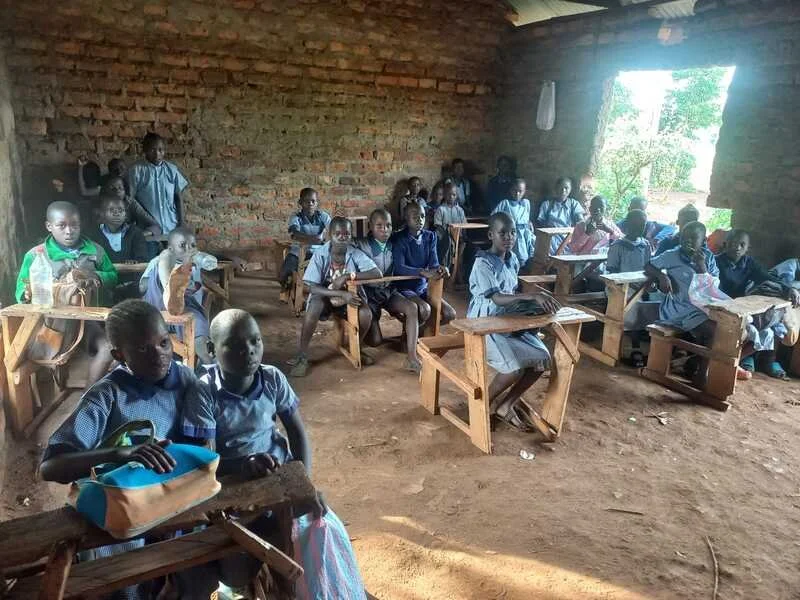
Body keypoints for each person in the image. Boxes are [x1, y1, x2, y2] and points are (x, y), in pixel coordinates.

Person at [181, 309, 367, 599]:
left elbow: (297, 432)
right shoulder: (204, 393)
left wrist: (302, 485)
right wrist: (242, 467)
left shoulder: (271, 379)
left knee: (319, 524)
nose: (250, 351)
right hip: (231, 486)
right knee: (237, 571)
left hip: (276, 478)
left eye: (255, 341)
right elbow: (205, 463)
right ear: (210, 349)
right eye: (235, 345)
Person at [39, 300, 199, 600]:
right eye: (142, 349)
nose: (159, 356)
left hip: (166, 510)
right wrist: (118, 455)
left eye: (164, 343)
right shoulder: (108, 396)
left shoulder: (183, 381)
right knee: (122, 588)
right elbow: (50, 467)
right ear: (119, 355)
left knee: (175, 578)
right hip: (114, 519)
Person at [469, 212, 560, 431]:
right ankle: (480, 407)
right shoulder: (482, 263)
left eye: (513, 232)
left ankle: (506, 405)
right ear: (491, 235)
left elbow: (511, 295)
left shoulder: (512, 260)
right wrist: (530, 296)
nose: (509, 237)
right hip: (484, 325)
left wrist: (536, 300)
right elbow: (498, 297)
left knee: (542, 360)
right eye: (503, 233)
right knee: (513, 369)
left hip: (508, 322)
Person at [16, 201, 117, 384]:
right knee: (34, 357)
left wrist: (95, 275)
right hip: (52, 324)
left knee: (109, 347)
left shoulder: (95, 251)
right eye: (61, 226)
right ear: (49, 226)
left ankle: (89, 395)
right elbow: (21, 290)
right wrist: (26, 294)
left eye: (74, 225)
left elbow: (113, 276)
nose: (69, 231)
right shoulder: (36, 255)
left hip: (87, 322)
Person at [289, 217, 381, 377]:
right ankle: (302, 356)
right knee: (314, 306)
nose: (342, 237)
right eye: (337, 233)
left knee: (366, 313)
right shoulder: (321, 254)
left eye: (346, 233)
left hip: (348, 296)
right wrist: (340, 293)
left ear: (350, 236)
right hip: (326, 296)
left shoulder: (354, 252)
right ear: (329, 235)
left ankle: (356, 349)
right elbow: (310, 287)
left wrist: (347, 276)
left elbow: (376, 273)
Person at [644, 221, 725, 383]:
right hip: (678, 307)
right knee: (716, 331)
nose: (687, 241)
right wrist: (662, 276)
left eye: (693, 238)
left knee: (728, 329)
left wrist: (701, 267)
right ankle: (701, 373)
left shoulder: (707, 258)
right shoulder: (672, 255)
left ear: (703, 242)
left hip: (702, 305)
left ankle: (695, 363)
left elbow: (714, 285)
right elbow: (648, 265)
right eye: (684, 237)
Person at [716, 229, 799, 378]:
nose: (737, 247)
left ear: (748, 248)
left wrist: (789, 288)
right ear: (725, 244)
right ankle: (721, 362)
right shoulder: (715, 262)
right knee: (746, 330)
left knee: (768, 331)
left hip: (740, 308)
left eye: (742, 244)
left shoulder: (748, 263)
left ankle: (734, 361)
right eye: (733, 243)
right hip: (721, 307)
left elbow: (766, 277)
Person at [356, 208, 424, 373]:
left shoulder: (395, 243)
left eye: (388, 225)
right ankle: (358, 342)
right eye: (379, 226)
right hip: (370, 296)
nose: (384, 230)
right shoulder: (361, 244)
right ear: (370, 227)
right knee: (376, 341)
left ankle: (411, 357)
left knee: (412, 308)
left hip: (388, 291)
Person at [140, 227, 214, 365]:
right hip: (157, 309)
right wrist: (151, 280)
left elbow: (196, 292)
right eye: (182, 245)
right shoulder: (158, 261)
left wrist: (189, 287)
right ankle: (168, 286)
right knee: (163, 260)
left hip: (184, 310)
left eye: (193, 245)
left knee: (197, 319)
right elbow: (142, 287)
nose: (188, 249)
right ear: (171, 248)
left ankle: (205, 359)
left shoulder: (195, 266)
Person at [393, 202, 457, 329]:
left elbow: (434, 264)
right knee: (424, 310)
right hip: (404, 288)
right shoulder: (399, 239)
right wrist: (423, 272)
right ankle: (411, 332)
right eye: (415, 216)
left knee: (449, 314)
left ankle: (418, 331)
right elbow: (399, 268)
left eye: (422, 216)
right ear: (406, 218)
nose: (420, 220)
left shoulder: (430, 236)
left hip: (423, 287)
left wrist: (442, 269)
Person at [606, 209, 656, 367]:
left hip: (642, 285)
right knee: (632, 306)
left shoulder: (645, 245)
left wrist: (651, 282)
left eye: (642, 225)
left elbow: (650, 267)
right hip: (620, 287)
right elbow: (613, 272)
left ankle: (654, 348)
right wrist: (633, 284)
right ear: (627, 225)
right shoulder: (618, 245)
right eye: (635, 224)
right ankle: (635, 348)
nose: (639, 228)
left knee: (660, 301)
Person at [128, 132, 189, 235]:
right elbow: (130, 199)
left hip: (172, 226)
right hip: (148, 228)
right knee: (151, 251)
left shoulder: (171, 170)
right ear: (145, 150)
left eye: (160, 150)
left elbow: (178, 197)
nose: (157, 154)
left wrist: (182, 222)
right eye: (152, 150)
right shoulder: (136, 170)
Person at [91, 194, 149, 302]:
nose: (116, 213)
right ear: (102, 214)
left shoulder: (135, 233)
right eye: (111, 210)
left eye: (121, 210)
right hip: (104, 285)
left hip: (130, 285)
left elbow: (142, 260)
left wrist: (134, 263)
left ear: (126, 215)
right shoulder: (95, 234)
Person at [278, 187, 331, 291]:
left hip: (317, 253)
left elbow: (333, 229)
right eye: (307, 201)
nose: (310, 204)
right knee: (284, 273)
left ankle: (322, 290)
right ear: (300, 203)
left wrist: (323, 240)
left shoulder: (322, 216)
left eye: (313, 201)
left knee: (326, 272)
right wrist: (314, 239)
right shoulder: (296, 216)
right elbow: (295, 233)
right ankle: (286, 288)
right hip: (297, 252)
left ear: (317, 203)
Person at [491, 178, 535, 271]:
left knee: (529, 252)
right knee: (513, 255)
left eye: (520, 191)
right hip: (510, 233)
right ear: (511, 190)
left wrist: (529, 222)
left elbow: (526, 217)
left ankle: (523, 273)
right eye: (515, 191)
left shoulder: (526, 203)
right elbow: (493, 217)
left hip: (524, 234)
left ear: (524, 192)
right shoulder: (505, 203)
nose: (517, 194)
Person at [535, 177, 585, 253]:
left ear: (570, 189)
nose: (563, 191)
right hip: (551, 238)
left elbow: (580, 221)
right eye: (560, 188)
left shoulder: (573, 204)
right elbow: (540, 223)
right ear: (556, 188)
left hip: (568, 237)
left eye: (566, 188)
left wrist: (581, 225)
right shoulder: (547, 205)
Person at [434, 181, 467, 272]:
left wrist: (463, 235)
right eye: (449, 195)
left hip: (458, 237)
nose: (451, 197)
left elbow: (464, 225)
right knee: (450, 244)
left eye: (454, 194)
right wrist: (447, 234)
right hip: (445, 237)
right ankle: (450, 268)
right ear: (444, 195)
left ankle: (458, 269)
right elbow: (437, 225)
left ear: (456, 195)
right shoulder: (441, 209)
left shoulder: (460, 210)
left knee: (465, 245)